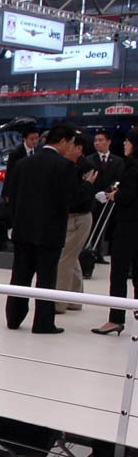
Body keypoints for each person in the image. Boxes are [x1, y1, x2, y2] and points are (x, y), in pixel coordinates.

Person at [4, 124, 79, 334]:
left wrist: (15, 224)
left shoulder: (23, 164)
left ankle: (14, 318)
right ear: (63, 141)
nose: (70, 148)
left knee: (20, 277)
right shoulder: (65, 166)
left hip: (23, 231)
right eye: (70, 144)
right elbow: (70, 199)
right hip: (50, 233)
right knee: (46, 279)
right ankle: (43, 323)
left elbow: (12, 197)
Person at [92, 127, 138, 335]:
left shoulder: (132, 165)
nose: (125, 144)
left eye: (128, 141)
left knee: (119, 273)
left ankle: (115, 318)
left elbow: (128, 195)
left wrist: (115, 195)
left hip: (128, 226)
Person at [55, 135, 97, 313]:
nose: (66, 148)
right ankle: (75, 298)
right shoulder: (67, 166)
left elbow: (77, 196)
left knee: (64, 259)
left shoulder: (87, 168)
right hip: (68, 217)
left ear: (79, 148)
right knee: (71, 257)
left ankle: (60, 302)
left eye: (70, 145)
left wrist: (86, 186)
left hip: (80, 218)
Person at [86, 129, 124, 264]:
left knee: (104, 225)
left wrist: (107, 192)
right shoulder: (89, 159)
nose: (97, 143)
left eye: (100, 140)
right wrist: (95, 193)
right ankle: (87, 252)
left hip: (108, 198)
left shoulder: (118, 161)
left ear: (108, 142)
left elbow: (118, 178)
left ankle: (99, 252)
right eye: (95, 140)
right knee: (90, 225)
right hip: (92, 197)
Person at [1, 125, 40, 205]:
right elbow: (10, 174)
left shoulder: (39, 150)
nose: (35, 141)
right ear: (25, 139)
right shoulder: (16, 153)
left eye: (37, 138)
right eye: (32, 139)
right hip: (20, 189)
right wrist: (7, 193)